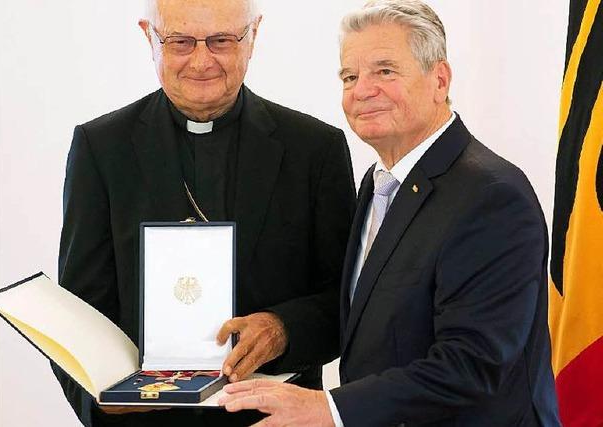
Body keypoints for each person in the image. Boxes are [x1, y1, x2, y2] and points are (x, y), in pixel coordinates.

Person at [219, 1, 561, 425]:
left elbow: (471, 367)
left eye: (385, 71)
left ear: (440, 79)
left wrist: (329, 408)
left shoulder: (492, 196)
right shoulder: (378, 183)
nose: (362, 90)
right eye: (350, 76)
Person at [52, 0, 356, 425]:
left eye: (221, 41)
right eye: (180, 42)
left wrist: (284, 328)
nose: (201, 61)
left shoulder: (315, 150)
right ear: (149, 37)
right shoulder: (101, 149)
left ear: (253, 37)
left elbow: (348, 300)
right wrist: (98, 401)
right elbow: (77, 317)